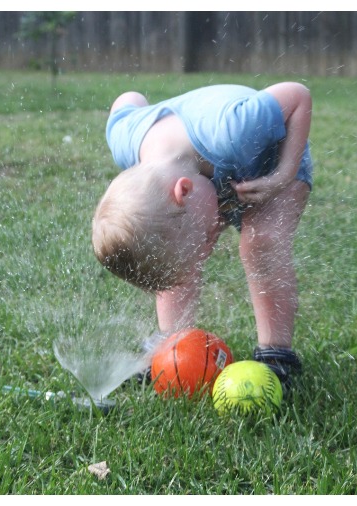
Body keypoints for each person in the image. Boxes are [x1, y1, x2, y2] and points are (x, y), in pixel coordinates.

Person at [92, 82, 313, 396]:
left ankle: (276, 354)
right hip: (211, 175)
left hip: (273, 160)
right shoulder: (126, 140)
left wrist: (284, 174)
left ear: (183, 191)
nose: (210, 244)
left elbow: (298, 95)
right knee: (176, 256)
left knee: (260, 240)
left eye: (205, 241)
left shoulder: (235, 130)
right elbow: (126, 100)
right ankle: (171, 344)